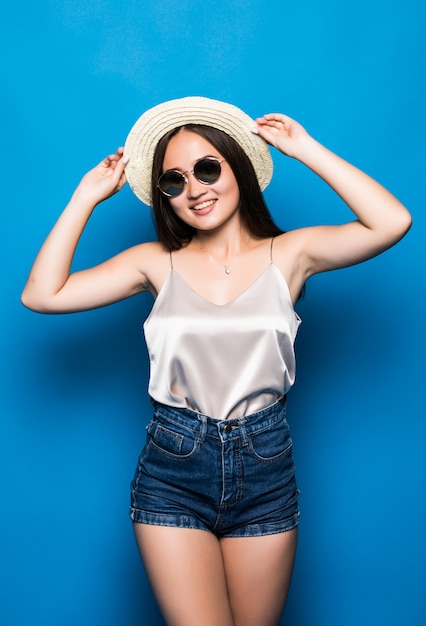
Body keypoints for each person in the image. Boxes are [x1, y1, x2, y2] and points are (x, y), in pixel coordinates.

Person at [21, 96, 411, 626]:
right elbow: (43, 295)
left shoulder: (290, 255)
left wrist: (306, 150)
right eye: (174, 181)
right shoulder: (155, 264)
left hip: (266, 464)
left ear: (239, 168)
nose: (194, 189)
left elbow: (392, 221)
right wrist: (84, 199)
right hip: (174, 465)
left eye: (207, 168)